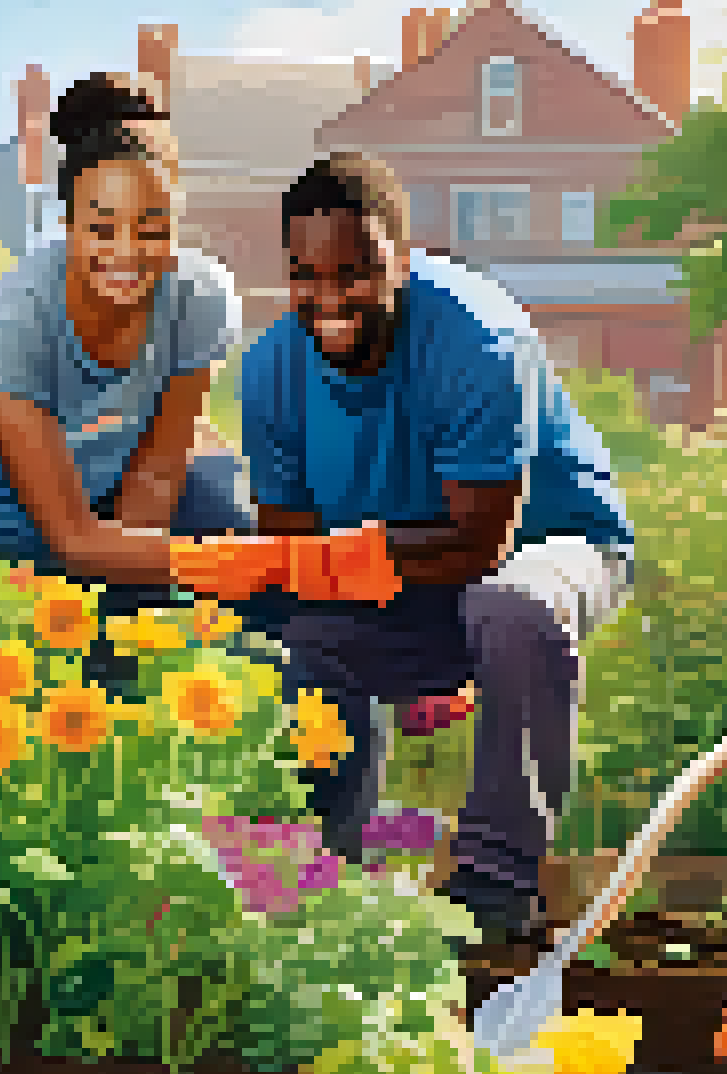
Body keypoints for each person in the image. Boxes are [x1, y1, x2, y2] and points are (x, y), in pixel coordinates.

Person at [181, 153, 636, 945]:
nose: (329, 300)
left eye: (355, 273)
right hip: (409, 576)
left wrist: (389, 596)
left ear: (402, 257)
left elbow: (480, 546)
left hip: (553, 546)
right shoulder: (272, 375)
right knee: (296, 646)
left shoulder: (478, 341)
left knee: (511, 608)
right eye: (305, 276)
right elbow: (304, 561)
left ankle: (491, 889)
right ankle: (314, 879)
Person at [0, 73, 296, 687]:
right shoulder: (13, 317)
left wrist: (136, 606)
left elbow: (158, 472)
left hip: (107, 504)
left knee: (231, 518)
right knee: (29, 683)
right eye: (102, 227)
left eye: (151, 227)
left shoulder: (201, 297)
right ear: (67, 224)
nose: (128, 253)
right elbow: (68, 537)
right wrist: (234, 562)